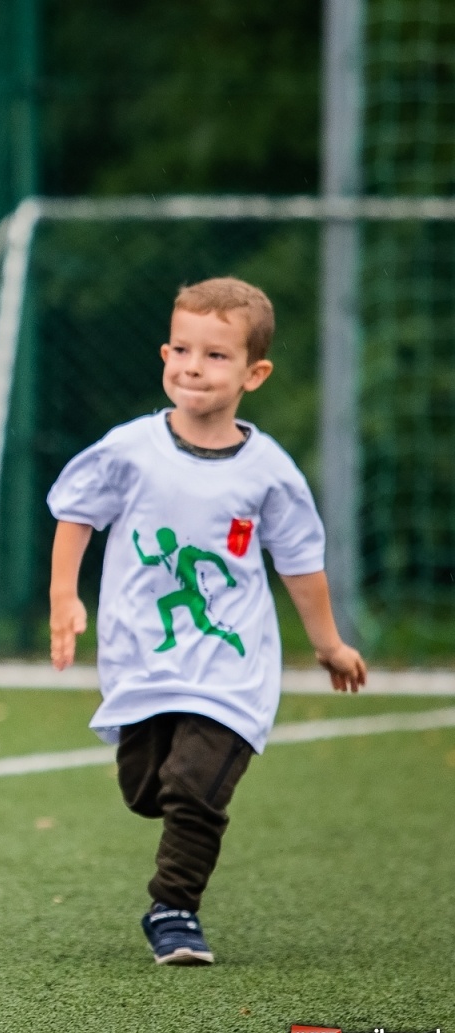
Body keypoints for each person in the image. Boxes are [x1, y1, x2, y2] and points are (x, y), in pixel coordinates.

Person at [47, 277, 367, 966]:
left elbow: (301, 563)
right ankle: (179, 849)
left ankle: (174, 910)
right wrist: (64, 598)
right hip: (143, 660)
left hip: (232, 667)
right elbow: (77, 513)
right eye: (183, 350)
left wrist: (329, 644)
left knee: (194, 786)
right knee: (147, 792)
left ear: (255, 373)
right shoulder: (131, 449)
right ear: (165, 353)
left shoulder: (271, 473)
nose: (193, 367)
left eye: (216, 356)